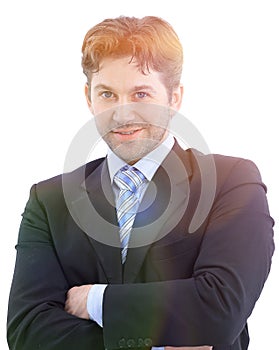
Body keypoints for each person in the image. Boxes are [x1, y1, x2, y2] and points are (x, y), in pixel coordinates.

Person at [7, 16, 274, 350]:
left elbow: (221, 308)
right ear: (89, 98)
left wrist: (96, 301)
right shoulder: (49, 200)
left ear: (174, 98)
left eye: (141, 93)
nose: (122, 114)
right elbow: (27, 331)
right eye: (107, 94)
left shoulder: (231, 183)